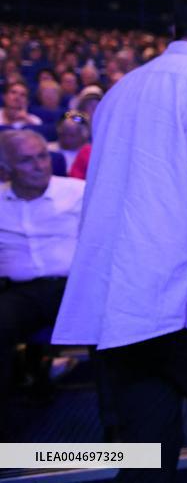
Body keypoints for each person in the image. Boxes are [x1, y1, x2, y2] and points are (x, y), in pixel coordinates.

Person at [51, 0, 187, 482]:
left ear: (177, 27)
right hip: (183, 303)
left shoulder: (120, 92)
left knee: (145, 450)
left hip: (121, 303)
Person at [0, 130, 85, 431]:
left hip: (76, 288)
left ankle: (121, 430)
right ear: (6, 168)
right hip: (20, 294)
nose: (40, 165)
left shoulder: (78, 192)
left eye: (43, 156)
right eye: (26, 160)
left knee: (112, 325)